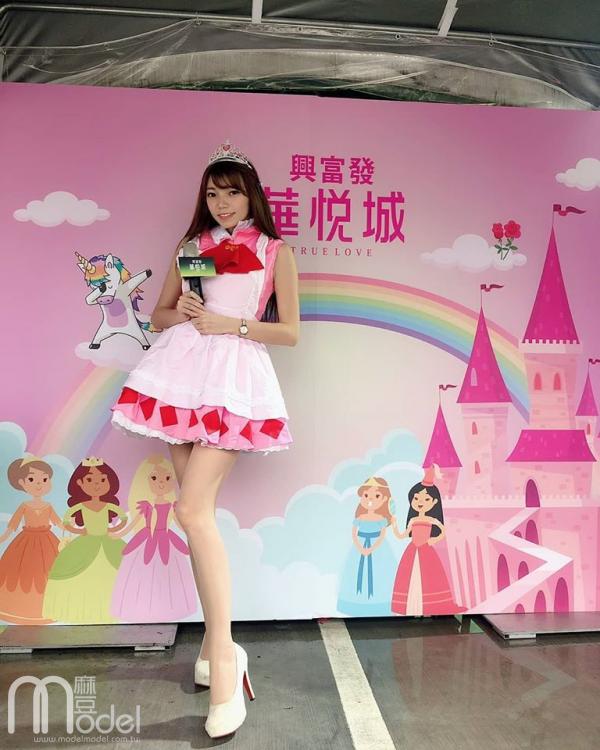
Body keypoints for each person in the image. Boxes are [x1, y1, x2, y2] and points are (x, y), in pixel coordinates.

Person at [110, 140, 299, 738]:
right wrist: (189, 311)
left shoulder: (275, 251)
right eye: (214, 193)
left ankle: (223, 662)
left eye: (232, 192)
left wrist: (231, 323)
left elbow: (290, 331)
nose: (222, 203)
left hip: (235, 379)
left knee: (191, 510)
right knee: (197, 517)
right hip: (181, 375)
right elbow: (160, 315)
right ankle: (222, 651)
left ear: (251, 195)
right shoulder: (191, 246)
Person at [110, 454, 198, 623]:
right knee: (144, 573)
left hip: (166, 541)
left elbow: (182, 524)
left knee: (168, 573)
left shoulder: (172, 506)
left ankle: (170, 608)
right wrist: (119, 533)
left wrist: (195, 533)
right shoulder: (147, 506)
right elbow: (134, 522)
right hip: (146, 541)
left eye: (167, 478)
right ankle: (143, 608)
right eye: (155, 478)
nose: (161, 483)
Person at [42, 458, 128, 623]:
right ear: (80, 483)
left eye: (102, 479)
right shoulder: (81, 506)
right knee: (74, 569)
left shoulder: (107, 505)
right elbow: (67, 521)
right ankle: (81, 608)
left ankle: (114, 609)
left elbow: (123, 518)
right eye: (89, 480)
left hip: (108, 542)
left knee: (118, 569)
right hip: (86, 541)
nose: (97, 484)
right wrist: (80, 530)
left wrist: (112, 530)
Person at [391, 465, 463, 616]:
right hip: (412, 551)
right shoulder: (413, 520)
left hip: (426, 550)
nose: (420, 502)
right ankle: (412, 607)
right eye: (416, 498)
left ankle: (427, 607)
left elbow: (442, 531)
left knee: (427, 577)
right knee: (411, 578)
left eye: (426, 499)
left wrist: (433, 540)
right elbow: (402, 535)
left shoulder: (432, 519)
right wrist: (394, 525)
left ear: (434, 502)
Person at [0, 456, 62, 624]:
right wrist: (4, 537)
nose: (39, 484)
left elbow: (58, 522)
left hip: (48, 541)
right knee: (23, 572)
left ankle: (52, 606)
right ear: (22, 483)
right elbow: (13, 524)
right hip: (26, 542)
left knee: (51, 571)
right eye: (32, 479)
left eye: (44, 479)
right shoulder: (24, 506)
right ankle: (24, 609)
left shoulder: (48, 506)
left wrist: (71, 529)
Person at [337, 476, 397, 616]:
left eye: (376, 496)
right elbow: (354, 533)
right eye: (366, 495)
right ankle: (355, 605)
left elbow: (381, 536)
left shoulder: (381, 519)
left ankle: (382, 605)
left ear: (384, 499)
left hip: (378, 550)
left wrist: (371, 548)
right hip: (360, 547)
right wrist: (360, 548)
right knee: (357, 574)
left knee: (380, 575)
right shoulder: (360, 518)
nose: (370, 499)